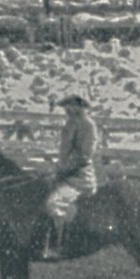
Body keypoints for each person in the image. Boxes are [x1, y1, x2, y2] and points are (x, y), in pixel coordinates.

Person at [45, 94, 98, 257]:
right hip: (66, 174)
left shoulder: (88, 125)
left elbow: (85, 156)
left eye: (69, 106)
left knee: (54, 205)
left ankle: (61, 245)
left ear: (79, 107)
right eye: (65, 107)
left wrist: (63, 170)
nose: (66, 110)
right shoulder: (71, 123)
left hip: (80, 177)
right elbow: (65, 152)